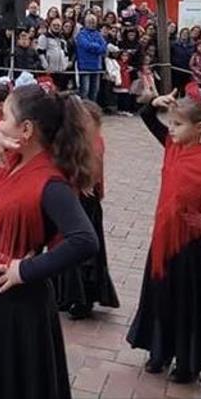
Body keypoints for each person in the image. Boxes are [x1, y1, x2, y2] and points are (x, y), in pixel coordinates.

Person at [0, 85, 98, 398]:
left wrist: (24, 269)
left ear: (26, 129)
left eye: (5, 117)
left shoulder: (50, 182)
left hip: (13, 307)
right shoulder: (7, 158)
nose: (0, 122)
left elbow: (84, 240)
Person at [127, 84, 201, 383]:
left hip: (189, 247)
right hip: (162, 239)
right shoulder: (172, 147)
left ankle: (187, 360)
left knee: (184, 303)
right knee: (159, 296)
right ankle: (159, 350)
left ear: (200, 128)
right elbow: (146, 116)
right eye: (171, 123)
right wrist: (155, 102)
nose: (171, 129)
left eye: (178, 125)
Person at [54, 101, 120, 320]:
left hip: (85, 200)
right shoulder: (75, 140)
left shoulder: (94, 142)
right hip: (74, 196)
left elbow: (93, 169)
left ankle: (81, 297)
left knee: (82, 250)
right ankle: (65, 294)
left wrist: (88, 182)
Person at [75, 14, 107, 102]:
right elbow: (86, 46)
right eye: (89, 21)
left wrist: (94, 46)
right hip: (85, 67)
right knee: (85, 90)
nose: (91, 23)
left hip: (97, 67)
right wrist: (97, 46)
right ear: (85, 22)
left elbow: (104, 47)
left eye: (93, 21)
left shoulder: (98, 34)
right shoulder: (81, 34)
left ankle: (92, 110)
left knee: (95, 90)